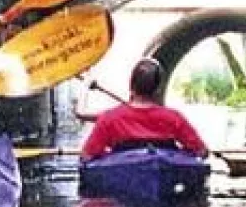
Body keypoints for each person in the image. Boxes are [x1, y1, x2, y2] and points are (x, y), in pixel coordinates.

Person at [78, 57, 208, 160]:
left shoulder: (109, 118)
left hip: (123, 182)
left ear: (131, 86)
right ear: (157, 90)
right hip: (166, 182)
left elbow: (86, 156)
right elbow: (201, 152)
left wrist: (107, 156)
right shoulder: (174, 118)